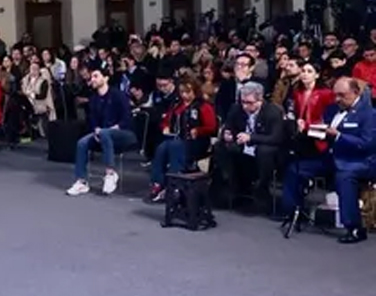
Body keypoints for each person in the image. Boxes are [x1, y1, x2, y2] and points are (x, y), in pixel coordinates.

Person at [281, 77, 376, 244]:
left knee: (344, 177)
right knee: (295, 168)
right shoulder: (332, 109)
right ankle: (292, 212)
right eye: (335, 95)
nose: (337, 99)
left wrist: (339, 136)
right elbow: (324, 131)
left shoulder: (369, 114)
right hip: (331, 157)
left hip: (360, 161)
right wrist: (311, 130)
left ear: (355, 93)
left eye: (342, 95)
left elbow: (366, 144)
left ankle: (354, 228)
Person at [213, 80, 284, 210]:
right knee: (220, 147)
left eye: (249, 103)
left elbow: (276, 138)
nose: (245, 106)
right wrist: (226, 134)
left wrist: (252, 138)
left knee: (265, 151)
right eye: (243, 102)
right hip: (242, 148)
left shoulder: (273, 112)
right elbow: (228, 126)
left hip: (264, 149)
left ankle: (262, 188)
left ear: (260, 100)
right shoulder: (236, 108)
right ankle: (231, 184)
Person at [67, 67, 136, 196]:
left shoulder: (118, 95)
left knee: (105, 133)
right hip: (103, 135)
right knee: (82, 143)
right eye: (92, 77)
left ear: (106, 78)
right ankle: (81, 181)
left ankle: (110, 173)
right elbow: (92, 121)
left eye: (96, 76)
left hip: (124, 134)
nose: (92, 79)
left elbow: (127, 118)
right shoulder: (93, 99)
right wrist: (95, 130)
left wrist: (111, 129)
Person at [148, 77, 217, 202]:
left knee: (175, 147)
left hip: (197, 142)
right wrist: (166, 127)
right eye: (182, 92)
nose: (184, 95)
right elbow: (166, 121)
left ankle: (174, 186)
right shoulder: (177, 105)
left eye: (188, 92)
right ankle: (158, 183)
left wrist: (199, 130)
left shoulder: (204, 106)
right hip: (177, 139)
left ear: (195, 91)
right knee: (162, 147)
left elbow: (211, 127)